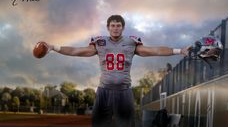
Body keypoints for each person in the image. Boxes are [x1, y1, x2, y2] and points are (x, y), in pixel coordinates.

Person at [44, 15, 191, 127]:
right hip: (104, 92)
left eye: (118, 26)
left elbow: (154, 50)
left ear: (123, 27)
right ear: (108, 27)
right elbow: (77, 51)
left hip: (124, 92)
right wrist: (54, 47)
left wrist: (179, 50)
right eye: (113, 25)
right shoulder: (99, 42)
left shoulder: (131, 42)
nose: (115, 28)